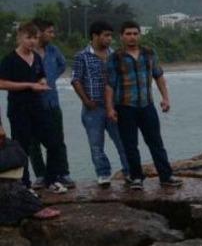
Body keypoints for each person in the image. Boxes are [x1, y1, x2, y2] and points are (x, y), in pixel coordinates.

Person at [104, 21, 183, 190]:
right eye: (128, 34)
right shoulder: (115, 58)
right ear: (122, 36)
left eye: (135, 33)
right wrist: (110, 108)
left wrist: (166, 98)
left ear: (139, 35)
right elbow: (110, 85)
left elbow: (159, 76)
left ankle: (166, 176)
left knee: (156, 142)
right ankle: (136, 177)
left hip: (147, 105)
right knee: (130, 145)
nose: (132, 37)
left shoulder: (149, 54)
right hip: (125, 107)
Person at [0, 22, 66, 192]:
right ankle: (25, 185)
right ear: (19, 38)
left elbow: (41, 75)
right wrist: (30, 85)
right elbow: (2, 83)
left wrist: (42, 82)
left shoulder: (36, 58)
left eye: (35, 38)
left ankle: (51, 180)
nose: (32, 42)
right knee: (22, 148)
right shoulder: (9, 60)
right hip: (19, 110)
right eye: (28, 38)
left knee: (54, 143)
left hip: (39, 108)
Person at [71, 21, 131, 187]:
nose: (109, 39)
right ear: (95, 36)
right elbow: (76, 80)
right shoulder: (82, 56)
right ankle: (103, 174)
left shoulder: (116, 55)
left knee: (122, 141)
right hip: (93, 108)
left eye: (111, 35)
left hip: (114, 106)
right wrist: (86, 101)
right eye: (106, 35)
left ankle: (129, 171)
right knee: (96, 145)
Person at [30, 19, 74, 188]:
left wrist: (51, 79)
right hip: (33, 105)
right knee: (34, 143)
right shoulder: (28, 52)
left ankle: (62, 173)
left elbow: (62, 65)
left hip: (52, 103)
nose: (52, 35)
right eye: (50, 32)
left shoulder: (53, 50)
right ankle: (40, 175)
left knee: (58, 140)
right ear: (39, 33)